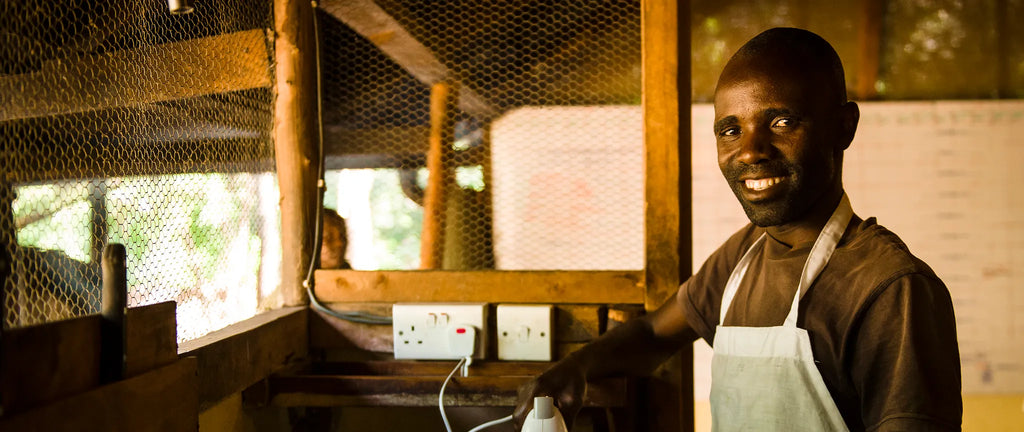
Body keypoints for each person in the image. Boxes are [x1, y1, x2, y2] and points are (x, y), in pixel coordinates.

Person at [514, 28, 961, 432]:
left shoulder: (891, 289)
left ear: (844, 127)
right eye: (730, 130)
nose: (749, 151)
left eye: (781, 122)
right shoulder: (742, 258)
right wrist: (575, 367)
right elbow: (653, 335)